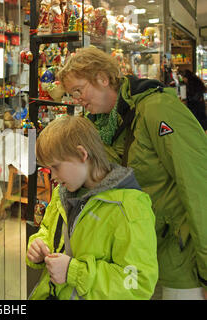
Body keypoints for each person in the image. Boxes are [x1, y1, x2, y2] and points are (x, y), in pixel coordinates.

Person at [57, 47, 207, 300]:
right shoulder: (102, 124)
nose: (77, 99)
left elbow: (198, 185)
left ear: (103, 78)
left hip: (178, 258)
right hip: (134, 256)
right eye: (72, 94)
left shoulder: (157, 109)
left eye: (79, 90)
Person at [26, 115, 158, 300]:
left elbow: (137, 284)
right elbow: (48, 229)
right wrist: (39, 245)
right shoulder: (62, 193)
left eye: (56, 167)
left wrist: (75, 272)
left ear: (82, 154)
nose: (52, 177)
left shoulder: (130, 207)